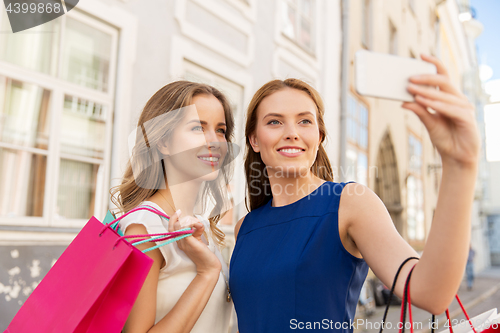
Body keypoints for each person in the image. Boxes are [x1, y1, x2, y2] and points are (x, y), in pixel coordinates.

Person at [229, 54, 480, 332]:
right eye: (274, 122)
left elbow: (431, 292)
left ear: (319, 137)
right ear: (253, 139)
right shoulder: (245, 228)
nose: (291, 133)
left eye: (304, 121)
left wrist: (460, 166)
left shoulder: (348, 203)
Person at [110, 81, 236, 333]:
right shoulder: (143, 228)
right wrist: (207, 272)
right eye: (198, 127)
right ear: (163, 142)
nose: (214, 141)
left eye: (220, 130)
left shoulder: (204, 229)